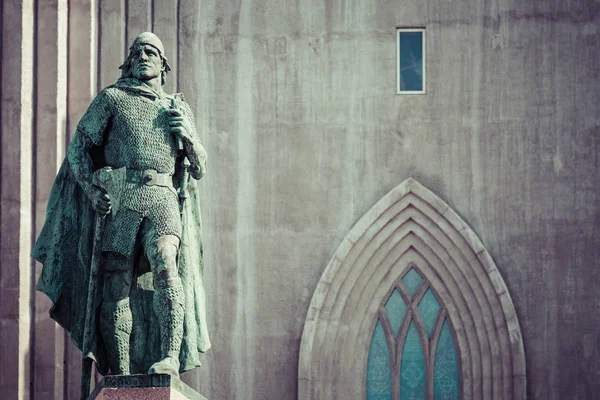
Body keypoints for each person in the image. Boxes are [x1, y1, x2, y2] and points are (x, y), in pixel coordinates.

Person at [32, 32, 210, 378]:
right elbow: (79, 147)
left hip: (162, 197)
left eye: (151, 52)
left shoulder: (176, 107)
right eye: (137, 52)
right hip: (125, 198)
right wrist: (91, 189)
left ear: (163, 64)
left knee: (164, 260)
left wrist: (187, 134)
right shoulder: (112, 98)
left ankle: (170, 358)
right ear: (129, 61)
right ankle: (121, 369)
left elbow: (200, 166)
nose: (143, 56)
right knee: (116, 280)